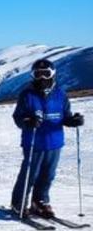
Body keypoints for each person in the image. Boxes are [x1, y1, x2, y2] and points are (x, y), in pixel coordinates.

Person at [11, 58, 85, 218]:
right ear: (33, 76)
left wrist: (73, 121)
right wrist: (28, 121)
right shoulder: (27, 95)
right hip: (33, 142)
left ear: (53, 74)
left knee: (48, 175)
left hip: (54, 142)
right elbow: (18, 117)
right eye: (38, 74)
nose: (42, 78)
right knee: (30, 174)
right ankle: (19, 202)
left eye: (46, 74)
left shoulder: (60, 94)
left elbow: (65, 116)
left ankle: (40, 202)